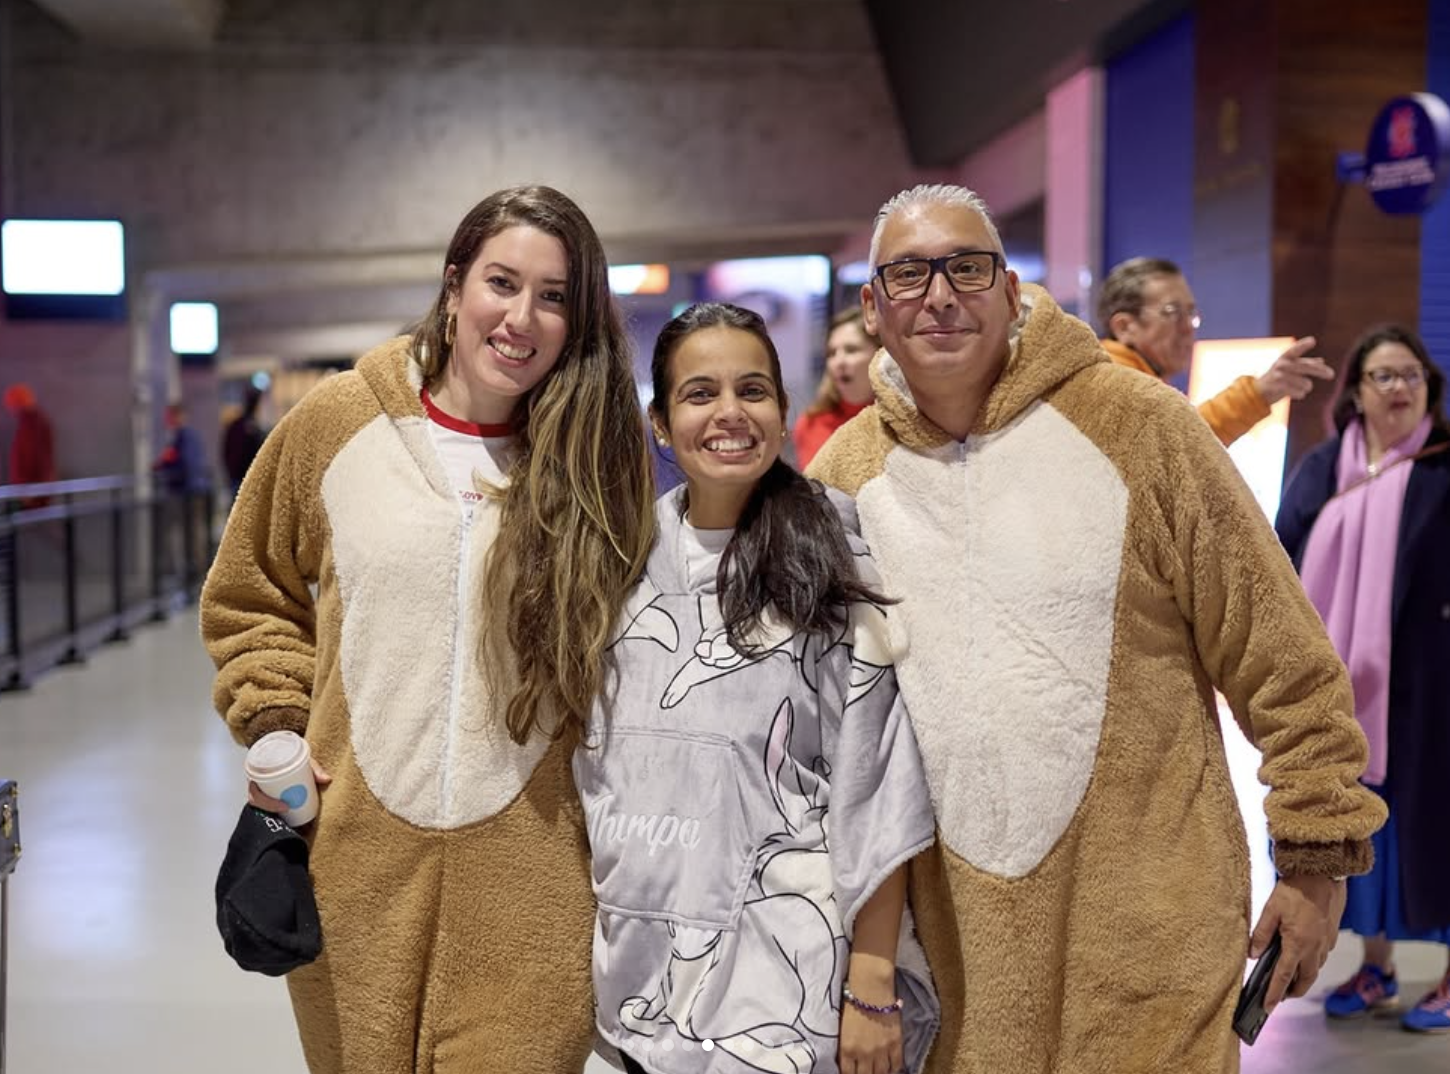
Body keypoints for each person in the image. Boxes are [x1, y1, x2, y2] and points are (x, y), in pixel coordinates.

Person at [806, 183, 1387, 1072]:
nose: (940, 294)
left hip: (1148, 942)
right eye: (910, 274)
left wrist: (1314, 860)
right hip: (951, 969)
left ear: (1009, 289)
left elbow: (1282, 653)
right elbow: (829, 729)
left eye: (967, 267)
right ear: (873, 307)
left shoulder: (1139, 426)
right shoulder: (845, 473)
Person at [200, 185, 656, 1073]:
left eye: (555, 296)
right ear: (454, 288)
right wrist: (275, 725)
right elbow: (248, 590)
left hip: (537, 873)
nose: (522, 316)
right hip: (356, 863)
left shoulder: (598, 460)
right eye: (501, 282)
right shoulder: (338, 423)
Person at [578, 302, 938, 1074]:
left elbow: (878, 783)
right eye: (700, 393)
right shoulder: (621, 566)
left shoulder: (832, 557)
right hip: (640, 979)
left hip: (784, 986)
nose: (729, 413)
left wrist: (872, 985)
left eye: (753, 389)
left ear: (780, 410)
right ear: (661, 423)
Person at [1276, 324, 1450, 1034]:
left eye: (1412, 374)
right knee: (1367, 826)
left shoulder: (1444, 467)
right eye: (1384, 375)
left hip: (1434, 689)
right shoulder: (1324, 468)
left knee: (1439, 827)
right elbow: (1281, 556)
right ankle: (1374, 966)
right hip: (1346, 692)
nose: (1400, 388)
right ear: (1356, 391)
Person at [1097, 256, 1334, 445]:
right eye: (1173, 312)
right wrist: (1257, 394)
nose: (1188, 328)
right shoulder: (1113, 386)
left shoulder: (1128, 380)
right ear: (1124, 327)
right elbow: (1176, 447)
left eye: (1191, 313)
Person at [793, 308, 880, 469]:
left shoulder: (903, 421)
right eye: (832, 353)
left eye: (851, 350)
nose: (838, 362)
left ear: (880, 355)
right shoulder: (811, 423)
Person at [3, 383, 57, 507]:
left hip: (31, 488)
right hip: (30, 487)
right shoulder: (30, 423)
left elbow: (36, 457)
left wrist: (28, 489)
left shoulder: (34, 425)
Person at [221, 384, 267, 496]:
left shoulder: (236, 426)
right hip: (247, 477)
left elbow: (225, 451)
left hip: (238, 477)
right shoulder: (252, 428)